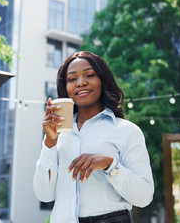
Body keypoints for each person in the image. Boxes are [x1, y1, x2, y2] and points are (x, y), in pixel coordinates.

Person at [33, 51, 154, 223]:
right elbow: (43, 194)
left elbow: (144, 197)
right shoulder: (58, 135)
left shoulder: (127, 131)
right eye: (72, 79)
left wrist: (109, 164)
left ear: (102, 80)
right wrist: (50, 142)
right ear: (66, 88)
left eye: (89, 75)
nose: (81, 82)